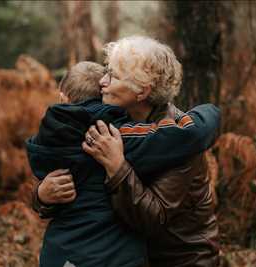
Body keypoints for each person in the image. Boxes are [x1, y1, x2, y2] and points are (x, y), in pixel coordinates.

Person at [33, 36, 220, 267]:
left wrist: (117, 167)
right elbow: (80, 175)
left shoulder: (178, 142)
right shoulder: (111, 120)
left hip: (179, 260)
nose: (102, 81)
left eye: (113, 76)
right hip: (130, 256)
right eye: (106, 71)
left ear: (141, 91)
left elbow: (152, 220)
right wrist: (43, 195)